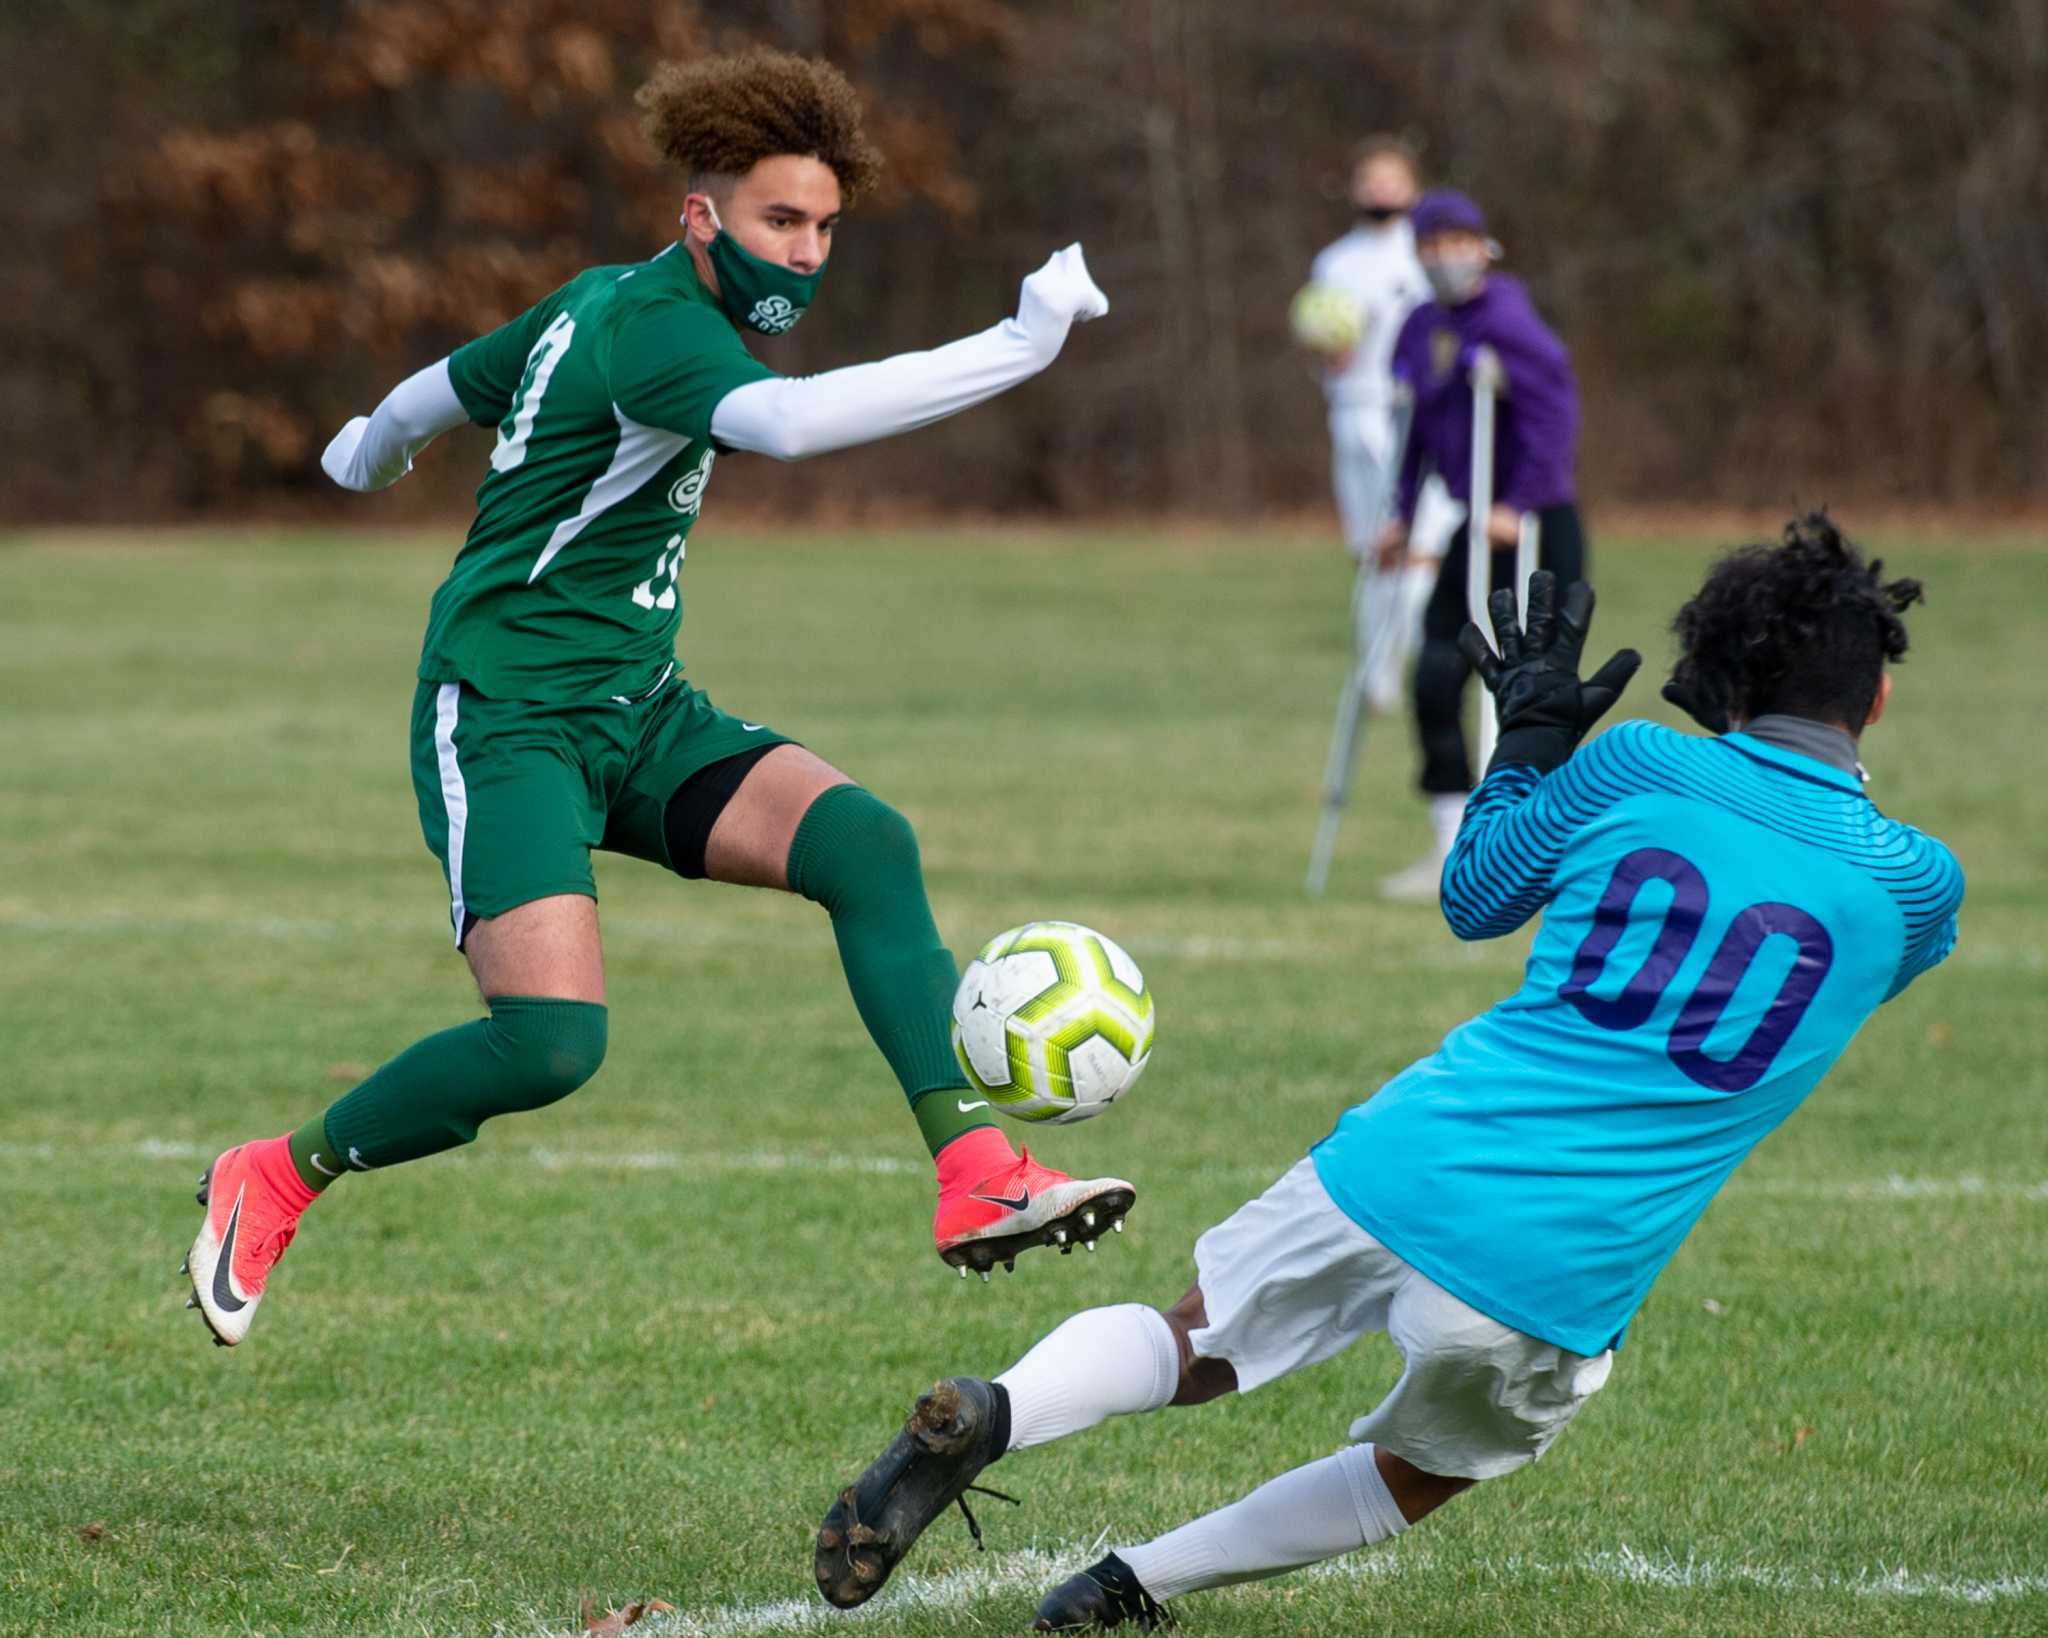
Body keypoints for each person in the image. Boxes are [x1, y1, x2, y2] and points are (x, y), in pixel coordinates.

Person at [812, 518, 1962, 1631]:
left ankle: (1000, 1409)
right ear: (1880, 696)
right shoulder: (1918, 887)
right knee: (1420, 1473)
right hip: (1557, 1270)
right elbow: (1785, 926)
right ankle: (1127, 1587)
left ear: (1717, 680)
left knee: (1192, 1342)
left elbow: (1476, 895)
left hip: (1404, 1156)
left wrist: (1524, 744)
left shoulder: (1637, 763)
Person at [183, 49, 1134, 1348]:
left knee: (865, 840)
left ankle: (975, 1174)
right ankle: (279, 1170)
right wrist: (1020, 344)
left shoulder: (597, 301)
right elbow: (793, 428)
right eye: (777, 221)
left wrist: (370, 443)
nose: (803, 253)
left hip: (636, 705)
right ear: (702, 215)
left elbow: (450, 385)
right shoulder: (660, 334)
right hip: (506, 713)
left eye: (823, 228)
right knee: (551, 1045)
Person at [1375, 189, 1584, 900]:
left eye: (1458, 240)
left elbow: (1555, 417)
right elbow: (1415, 429)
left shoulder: (1509, 321)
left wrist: (1519, 502)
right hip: (1472, 525)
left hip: (1534, 527)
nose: (1445, 256)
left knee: (1535, 692)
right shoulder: (1419, 326)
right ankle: (1451, 841)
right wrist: (1402, 513)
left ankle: (1537, 853)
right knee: (1436, 673)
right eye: (1431, 242)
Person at [1303, 137, 1432, 711]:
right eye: (1370, 179)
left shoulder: (1423, 256)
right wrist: (1326, 350)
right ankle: (1375, 675)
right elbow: (1324, 340)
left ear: (1412, 188)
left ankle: (1428, 662)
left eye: (1392, 179)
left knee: (1414, 544)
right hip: (1350, 410)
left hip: (1405, 414)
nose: (1381, 190)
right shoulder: (1334, 262)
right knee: (1368, 552)